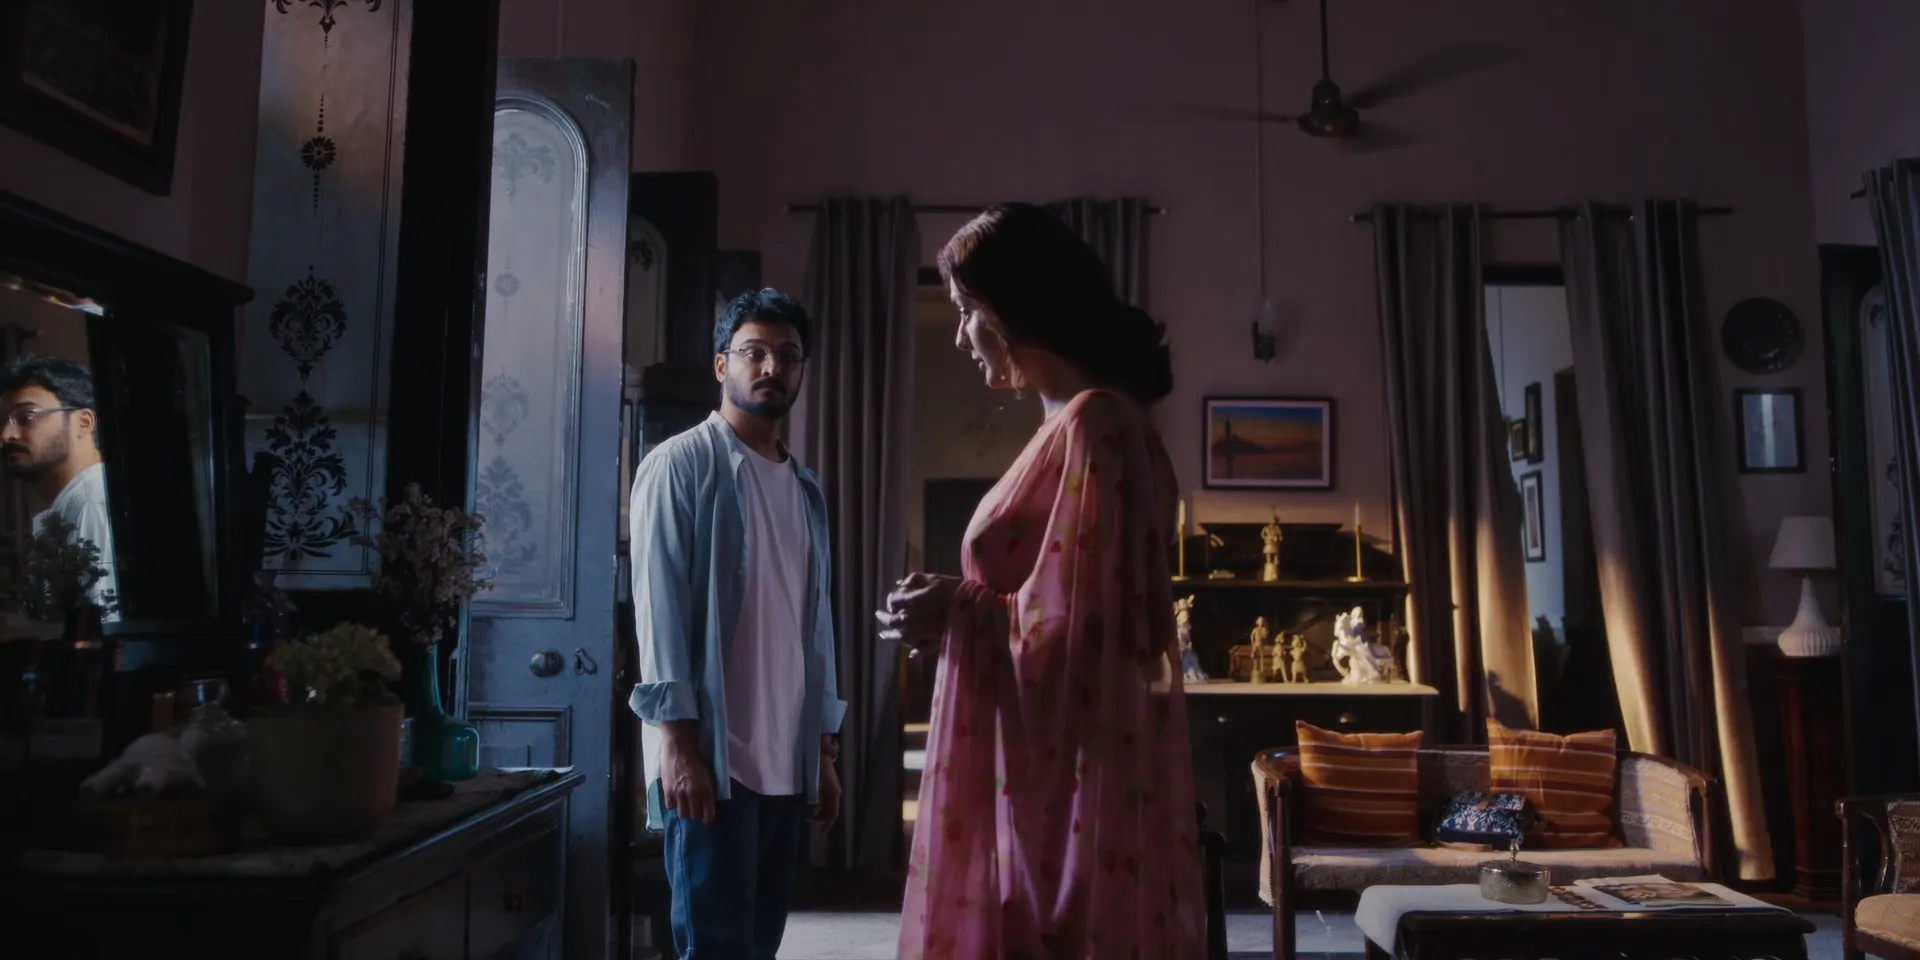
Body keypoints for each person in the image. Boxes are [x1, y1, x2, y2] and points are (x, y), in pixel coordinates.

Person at [879, 203, 1205, 957]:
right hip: (1043, 769)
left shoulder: (1097, 425)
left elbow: (1092, 632)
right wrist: (955, 612)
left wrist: (959, 609)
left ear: (1012, 309)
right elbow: (1058, 597)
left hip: (1067, 784)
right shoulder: (1080, 423)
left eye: (967, 311)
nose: (961, 335)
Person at [627, 288, 846, 959]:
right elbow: (658, 610)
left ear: (802, 370)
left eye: (788, 355)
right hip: (713, 760)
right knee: (715, 948)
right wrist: (676, 745)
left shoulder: (805, 488)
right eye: (754, 352)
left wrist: (823, 751)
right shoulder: (679, 464)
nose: (772, 367)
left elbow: (815, 625)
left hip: (786, 759)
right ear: (722, 364)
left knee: (759, 946)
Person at [0, 355, 117, 620]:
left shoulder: (93, 501)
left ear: (84, 422)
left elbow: (102, 628)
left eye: (26, 417)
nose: (6, 435)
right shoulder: (72, 505)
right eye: (2, 421)